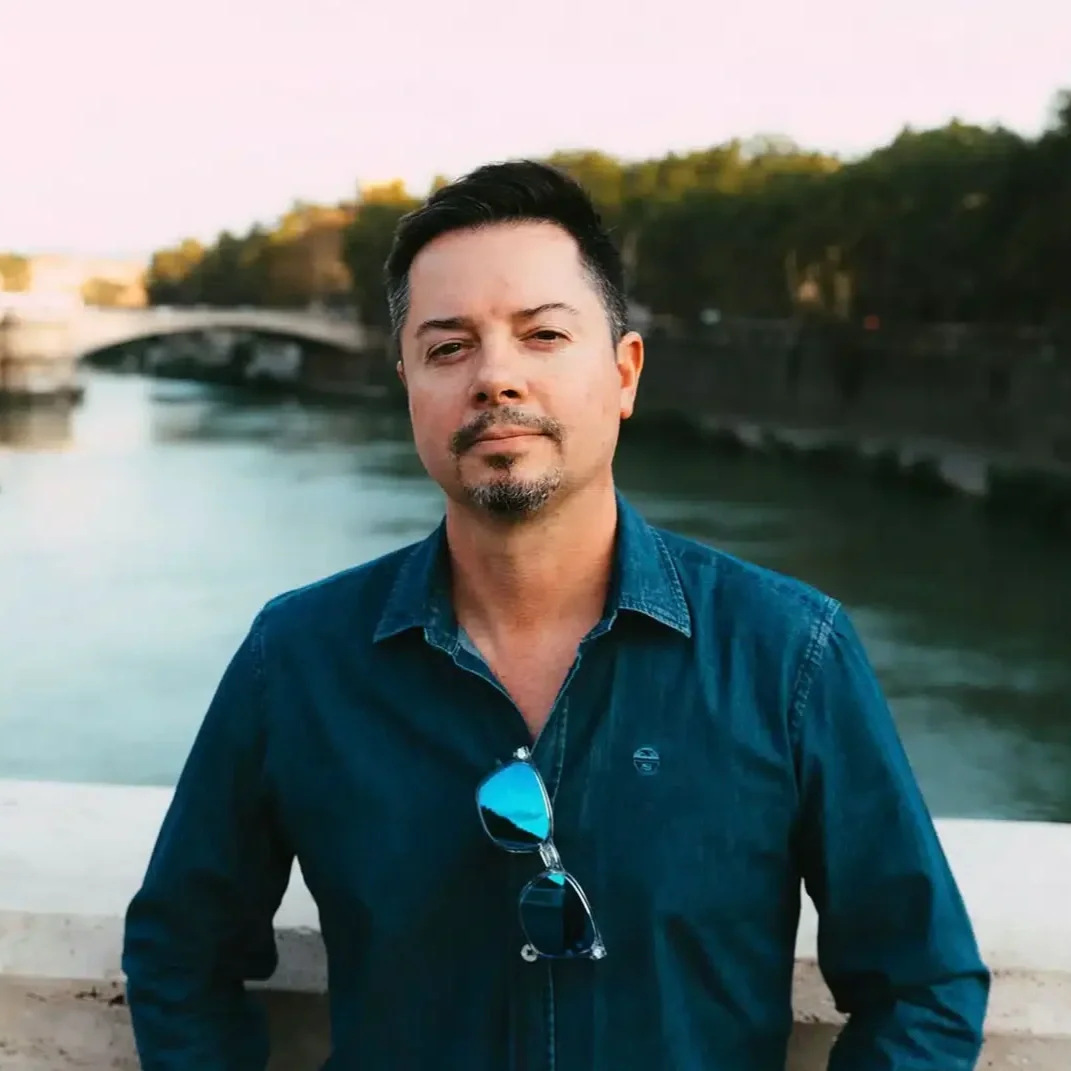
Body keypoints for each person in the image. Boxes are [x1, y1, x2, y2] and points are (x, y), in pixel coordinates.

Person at [122, 160, 990, 1069]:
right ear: (407, 384)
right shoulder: (299, 659)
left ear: (623, 373)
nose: (495, 377)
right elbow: (181, 952)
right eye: (448, 348)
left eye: (541, 335)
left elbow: (922, 985)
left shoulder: (785, 653)